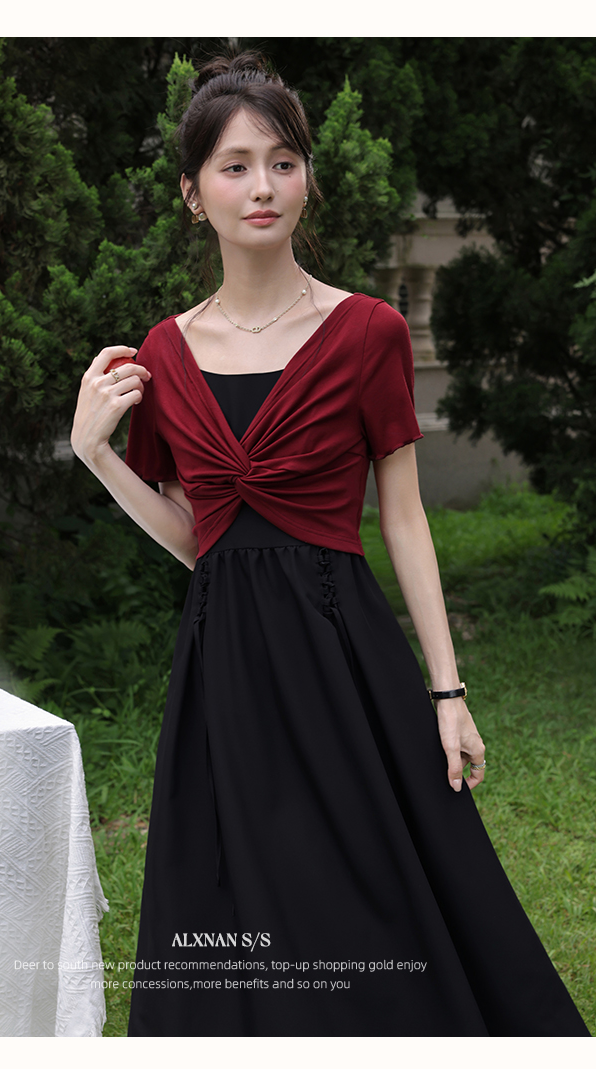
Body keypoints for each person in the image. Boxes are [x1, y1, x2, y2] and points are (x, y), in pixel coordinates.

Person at [70, 53, 590, 1038]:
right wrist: (96, 454)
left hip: (344, 655)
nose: (262, 186)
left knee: (373, 894)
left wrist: (447, 691)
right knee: (236, 901)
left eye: (282, 161)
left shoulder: (368, 332)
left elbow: (403, 517)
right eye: (234, 166)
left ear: (308, 176)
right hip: (225, 668)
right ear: (192, 195)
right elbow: (200, 542)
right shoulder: (166, 352)